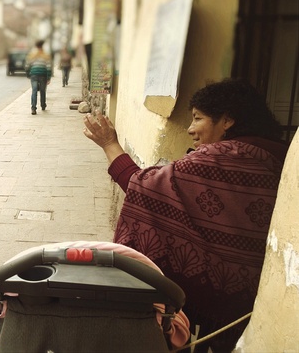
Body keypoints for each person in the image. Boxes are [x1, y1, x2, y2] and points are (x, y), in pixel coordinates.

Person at [83, 78, 288, 352]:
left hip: (212, 303)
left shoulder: (217, 159)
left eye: (198, 118)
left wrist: (109, 143)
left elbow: (141, 185)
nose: (190, 129)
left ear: (226, 121)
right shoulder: (279, 157)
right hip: (258, 297)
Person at [25, 40, 52, 115]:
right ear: (42, 46)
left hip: (34, 75)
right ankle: (43, 105)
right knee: (43, 91)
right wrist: (48, 77)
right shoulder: (46, 55)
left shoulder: (31, 55)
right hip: (43, 75)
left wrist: (28, 74)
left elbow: (27, 65)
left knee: (34, 91)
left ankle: (33, 108)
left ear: (36, 46)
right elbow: (48, 67)